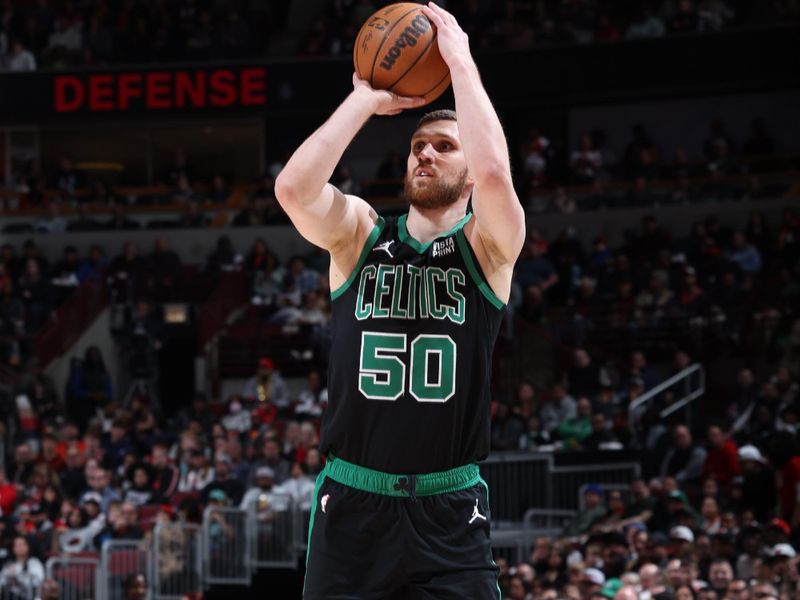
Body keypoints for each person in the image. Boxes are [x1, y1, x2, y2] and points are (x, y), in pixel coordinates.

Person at [274, 3, 525, 597]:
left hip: (449, 508)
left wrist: (460, 62)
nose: (425, 153)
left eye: (444, 145)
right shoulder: (361, 234)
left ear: (466, 171)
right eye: (418, 144)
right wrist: (365, 98)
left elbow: (495, 177)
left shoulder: (488, 247)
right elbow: (294, 188)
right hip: (354, 504)